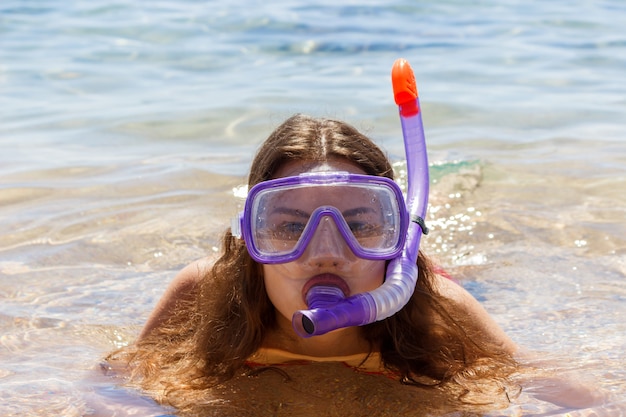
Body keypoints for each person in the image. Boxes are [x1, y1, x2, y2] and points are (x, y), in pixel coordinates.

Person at [107, 114, 527, 414]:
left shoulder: (441, 309)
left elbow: (554, 393)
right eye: (291, 227)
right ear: (249, 237)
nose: (327, 252)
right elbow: (111, 388)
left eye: (359, 224)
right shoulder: (204, 290)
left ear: (398, 235)